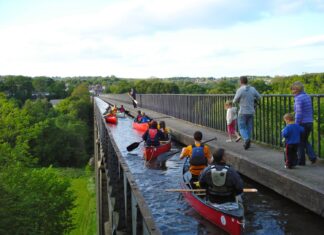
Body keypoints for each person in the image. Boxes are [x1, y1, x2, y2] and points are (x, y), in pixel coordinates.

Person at [291, 81, 317, 165]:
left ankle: (301, 161)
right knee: (304, 140)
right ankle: (312, 157)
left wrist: (296, 124)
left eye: (293, 89)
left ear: (298, 89)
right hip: (309, 122)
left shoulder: (298, 98)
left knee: (300, 142)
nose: (292, 91)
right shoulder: (306, 96)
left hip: (302, 123)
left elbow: (299, 112)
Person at [233, 76, 261, 150]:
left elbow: (234, 101)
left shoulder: (240, 90)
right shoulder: (253, 89)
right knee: (249, 127)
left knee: (241, 127)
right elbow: (259, 97)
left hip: (242, 111)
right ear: (247, 81)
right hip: (251, 111)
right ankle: (248, 142)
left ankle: (246, 139)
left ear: (240, 82)